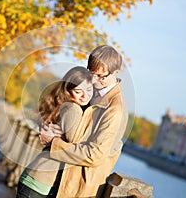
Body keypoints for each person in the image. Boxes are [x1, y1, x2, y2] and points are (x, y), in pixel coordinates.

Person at [39, 45, 129, 197]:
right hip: (57, 178)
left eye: (101, 76)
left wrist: (54, 143)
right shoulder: (92, 90)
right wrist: (50, 125)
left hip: (79, 187)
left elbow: (95, 155)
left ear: (116, 73)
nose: (94, 80)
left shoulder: (115, 109)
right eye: (92, 73)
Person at [16, 66, 94, 198]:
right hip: (40, 184)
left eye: (88, 89)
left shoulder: (64, 105)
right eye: (78, 91)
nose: (84, 95)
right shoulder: (74, 110)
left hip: (37, 178)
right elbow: (76, 146)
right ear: (68, 91)